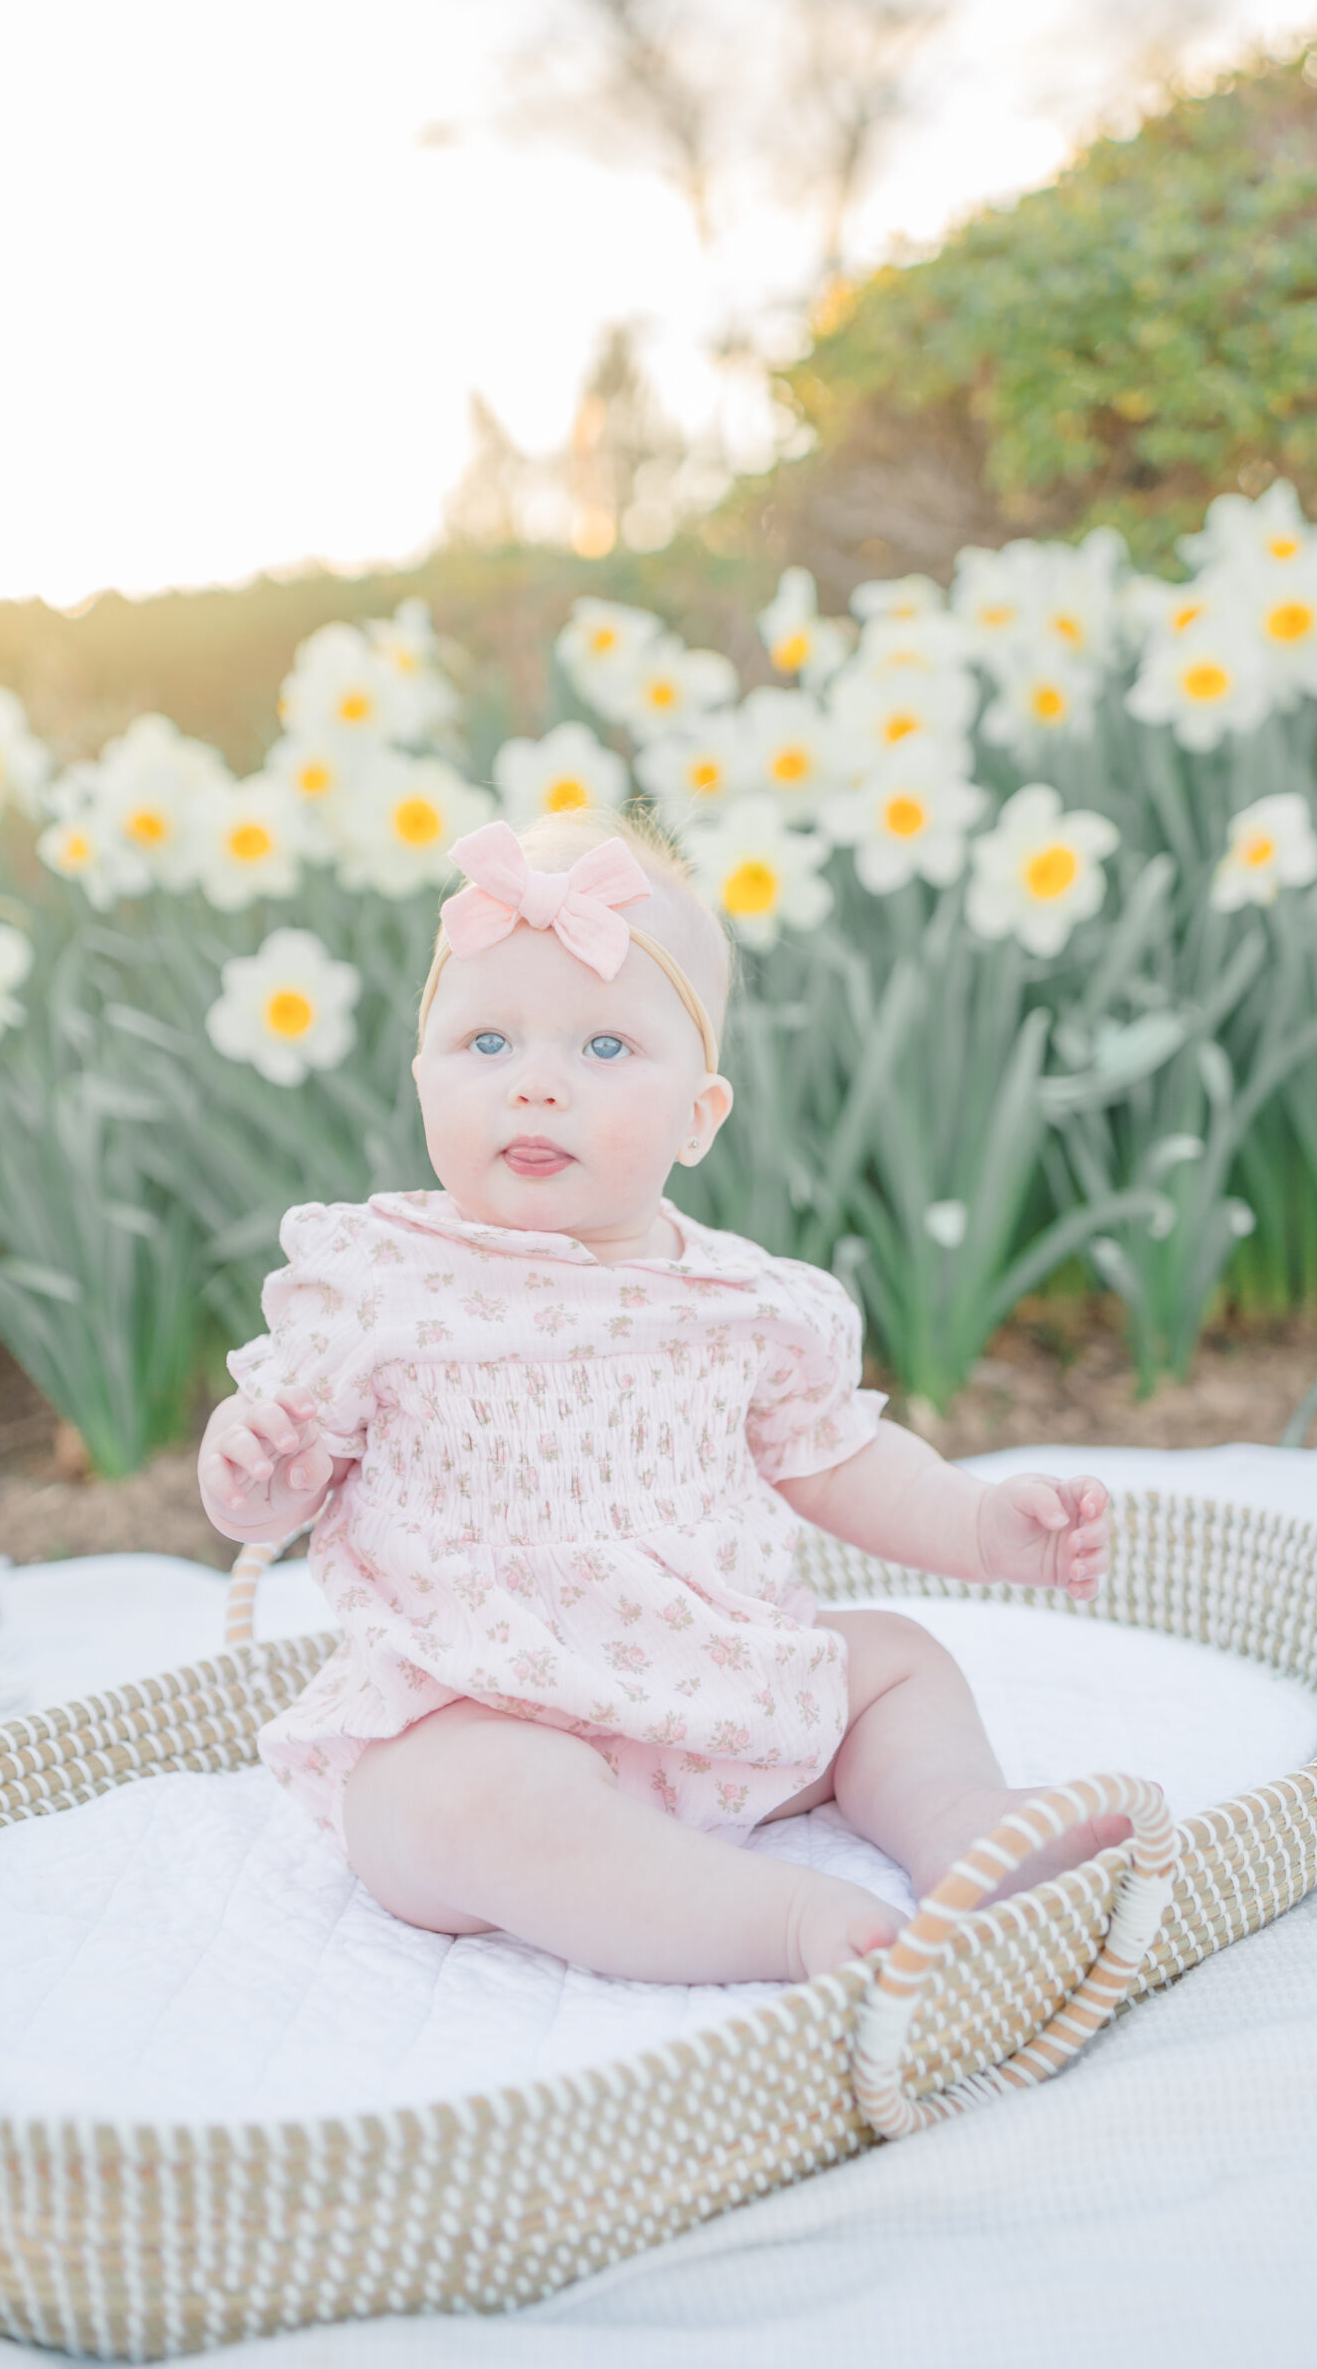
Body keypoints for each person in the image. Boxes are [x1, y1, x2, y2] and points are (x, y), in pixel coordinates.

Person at [198, 808, 1126, 1985]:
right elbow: (276, 1488)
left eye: (600, 1050)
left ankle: (958, 1821)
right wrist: (256, 1475)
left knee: (892, 1658)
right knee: (465, 1798)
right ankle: (767, 1917)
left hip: (719, 1690)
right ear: (421, 1074)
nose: (535, 1086)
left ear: (698, 1117)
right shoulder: (375, 1278)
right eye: (486, 1043)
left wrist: (981, 1525)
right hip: (485, 1706)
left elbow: (836, 1459)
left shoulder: (745, 1302)